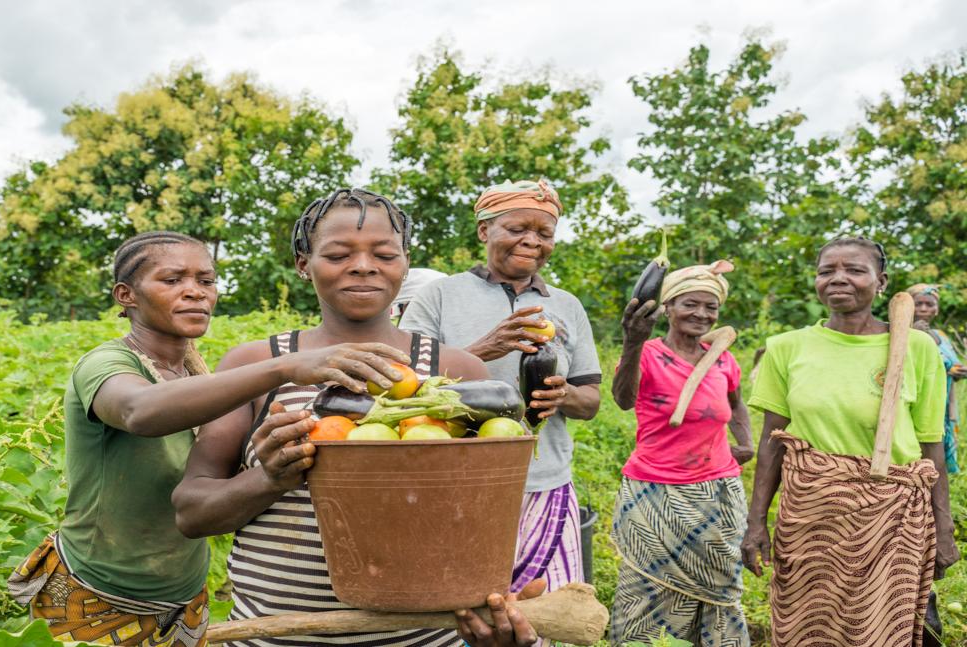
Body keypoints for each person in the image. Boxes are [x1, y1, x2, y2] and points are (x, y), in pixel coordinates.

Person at [172, 189, 543, 647]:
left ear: (405, 262)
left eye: (384, 253)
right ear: (303, 264)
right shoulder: (257, 366)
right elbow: (191, 512)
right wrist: (268, 478)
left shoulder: (456, 373)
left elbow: (480, 517)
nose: (364, 265)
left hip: (418, 638)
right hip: (274, 636)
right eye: (338, 253)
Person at [6, 231, 412, 646]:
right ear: (126, 295)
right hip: (100, 591)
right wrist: (284, 367)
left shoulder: (197, 373)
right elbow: (139, 411)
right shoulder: (107, 363)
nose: (194, 293)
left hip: (183, 594)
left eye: (206, 281)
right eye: (172, 281)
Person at [742, 237, 958, 647]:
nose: (838, 279)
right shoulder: (786, 347)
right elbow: (772, 444)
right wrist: (756, 523)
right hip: (811, 519)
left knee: (881, 628)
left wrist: (942, 525)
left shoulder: (918, 347)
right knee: (808, 624)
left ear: (881, 282)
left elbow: (932, 444)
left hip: (892, 520)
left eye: (855, 270)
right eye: (827, 271)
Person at [399, 179, 602, 599]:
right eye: (517, 229)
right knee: (464, 614)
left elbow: (591, 400)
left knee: (543, 616)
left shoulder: (567, 305)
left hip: (546, 483)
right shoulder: (439, 296)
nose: (532, 241)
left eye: (544, 234)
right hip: (454, 481)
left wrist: (564, 396)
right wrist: (482, 351)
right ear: (483, 231)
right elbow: (402, 384)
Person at [608, 260, 753, 646]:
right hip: (654, 493)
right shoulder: (649, 354)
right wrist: (632, 340)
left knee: (719, 587)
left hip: (717, 493)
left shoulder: (722, 357)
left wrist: (746, 442)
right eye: (690, 304)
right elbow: (623, 399)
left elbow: (736, 404)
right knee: (648, 588)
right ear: (668, 307)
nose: (702, 314)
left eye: (711, 307)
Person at [909, 283, 966, 474]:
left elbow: (952, 364)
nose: (924, 309)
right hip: (918, 402)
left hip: (942, 401)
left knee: (936, 455)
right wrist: (914, 332)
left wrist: (958, 372)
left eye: (929, 304)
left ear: (937, 308)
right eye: (918, 304)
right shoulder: (899, 331)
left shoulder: (941, 335)